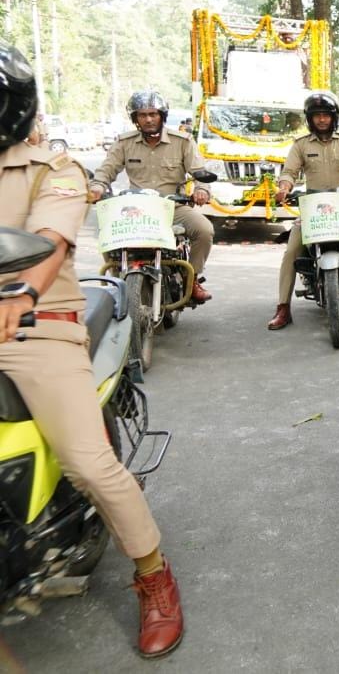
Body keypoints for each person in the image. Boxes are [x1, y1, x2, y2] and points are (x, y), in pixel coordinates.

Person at [0, 43, 184, 658]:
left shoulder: (52, 167)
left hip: (35, 324)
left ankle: (153, 576)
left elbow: (51, 238)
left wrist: (22, 290)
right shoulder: (112, 152)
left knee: (88, 461)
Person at [266, 91, 339, 330]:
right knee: (291, 251)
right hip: (313, 205)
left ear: (334, 117)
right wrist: (284, 187)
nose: (321, 120)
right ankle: (283, 307)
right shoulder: (301, 145)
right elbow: (289, 172)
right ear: (310, 119)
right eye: (317, 115)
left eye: (325, 115)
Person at [89, 92, 214, 304]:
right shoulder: (124, 142)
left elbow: (199, 171)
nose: (148, 119)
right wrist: (97, 187)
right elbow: (106, 171)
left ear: (162, 116)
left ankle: (191, 279)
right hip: (135, 209)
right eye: (143, 115)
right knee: (105, 231)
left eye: (153, 114)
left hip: (172, 207)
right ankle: (118, 277)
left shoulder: (182, 141)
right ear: (135, 118)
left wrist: (202, 189)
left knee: (204, 230)